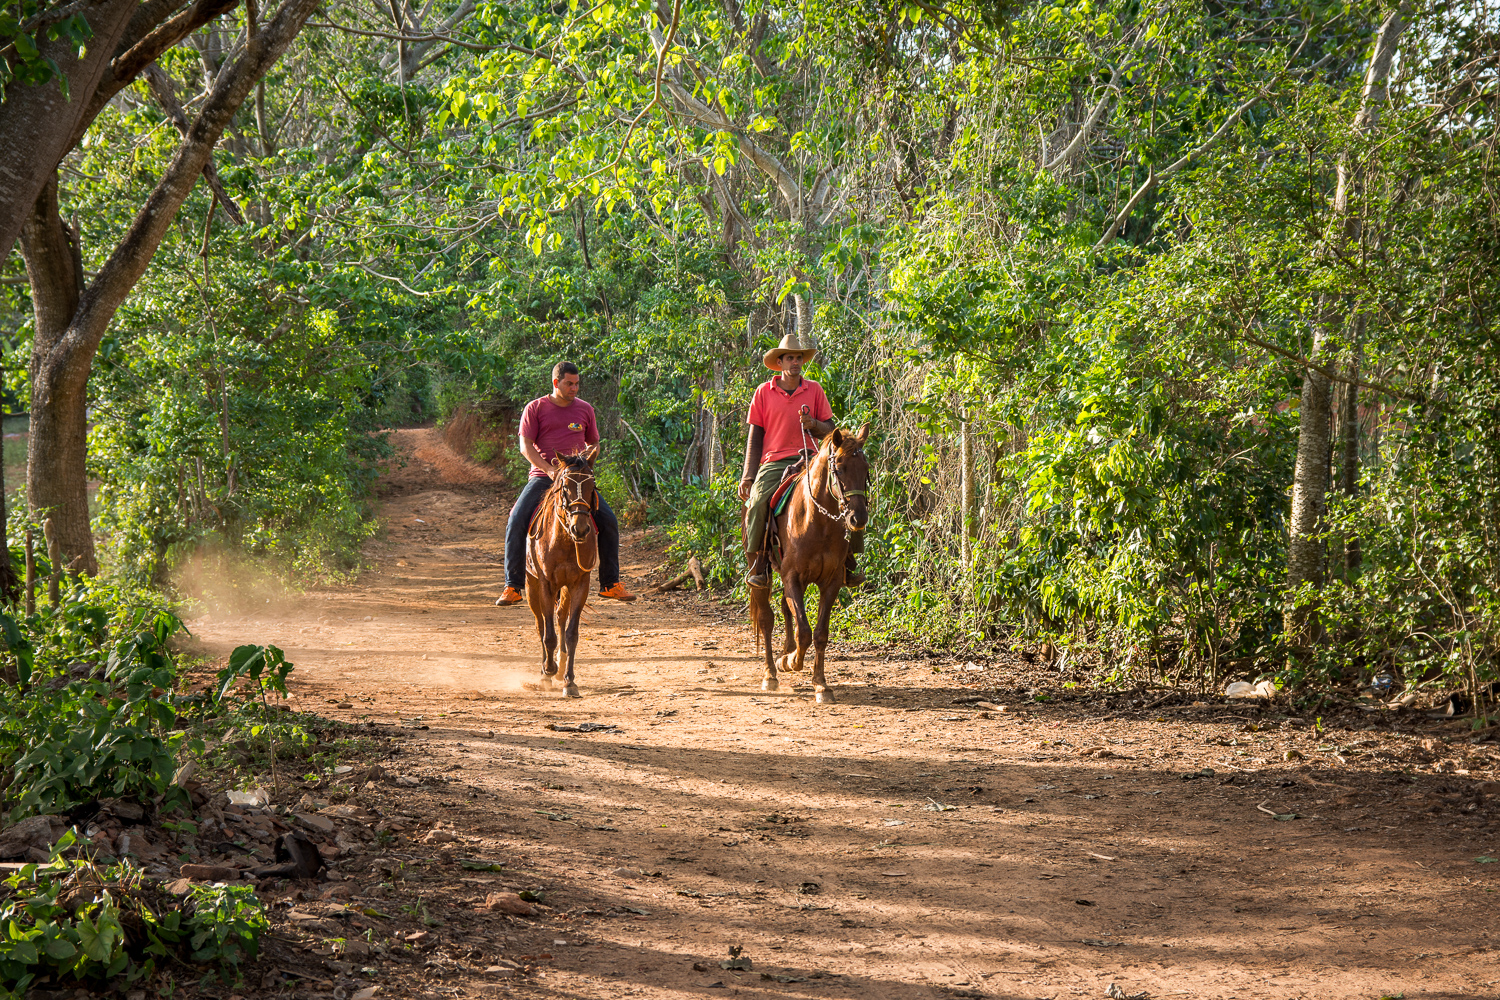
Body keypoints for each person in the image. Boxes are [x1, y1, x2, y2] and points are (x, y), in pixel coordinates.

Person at [495, 362, 637, 606]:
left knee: (609, 520)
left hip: (576, 479)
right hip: (544, 477)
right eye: (569, 383)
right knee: (517, 518)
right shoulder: (536, 408)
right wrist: (549, 469)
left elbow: (594, 443)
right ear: (555, 383)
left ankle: (610, 583)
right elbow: (525, 447)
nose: (574, 388)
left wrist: (587, 463)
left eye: (577, 383)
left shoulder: (585, 409)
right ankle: (513, 585)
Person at [739, 334, 864, 589]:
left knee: (851, 493)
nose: (795, 362)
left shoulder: (814, 389)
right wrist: (748, 476)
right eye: (790, 358)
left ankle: (848, 562)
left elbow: (831, 430)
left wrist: (815, 425)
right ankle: (759, 564)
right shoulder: (763, 392)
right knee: (758, 502)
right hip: (775, 461)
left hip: (812, 459)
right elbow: (755, 439)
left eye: (798, 358)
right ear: (780, 362)